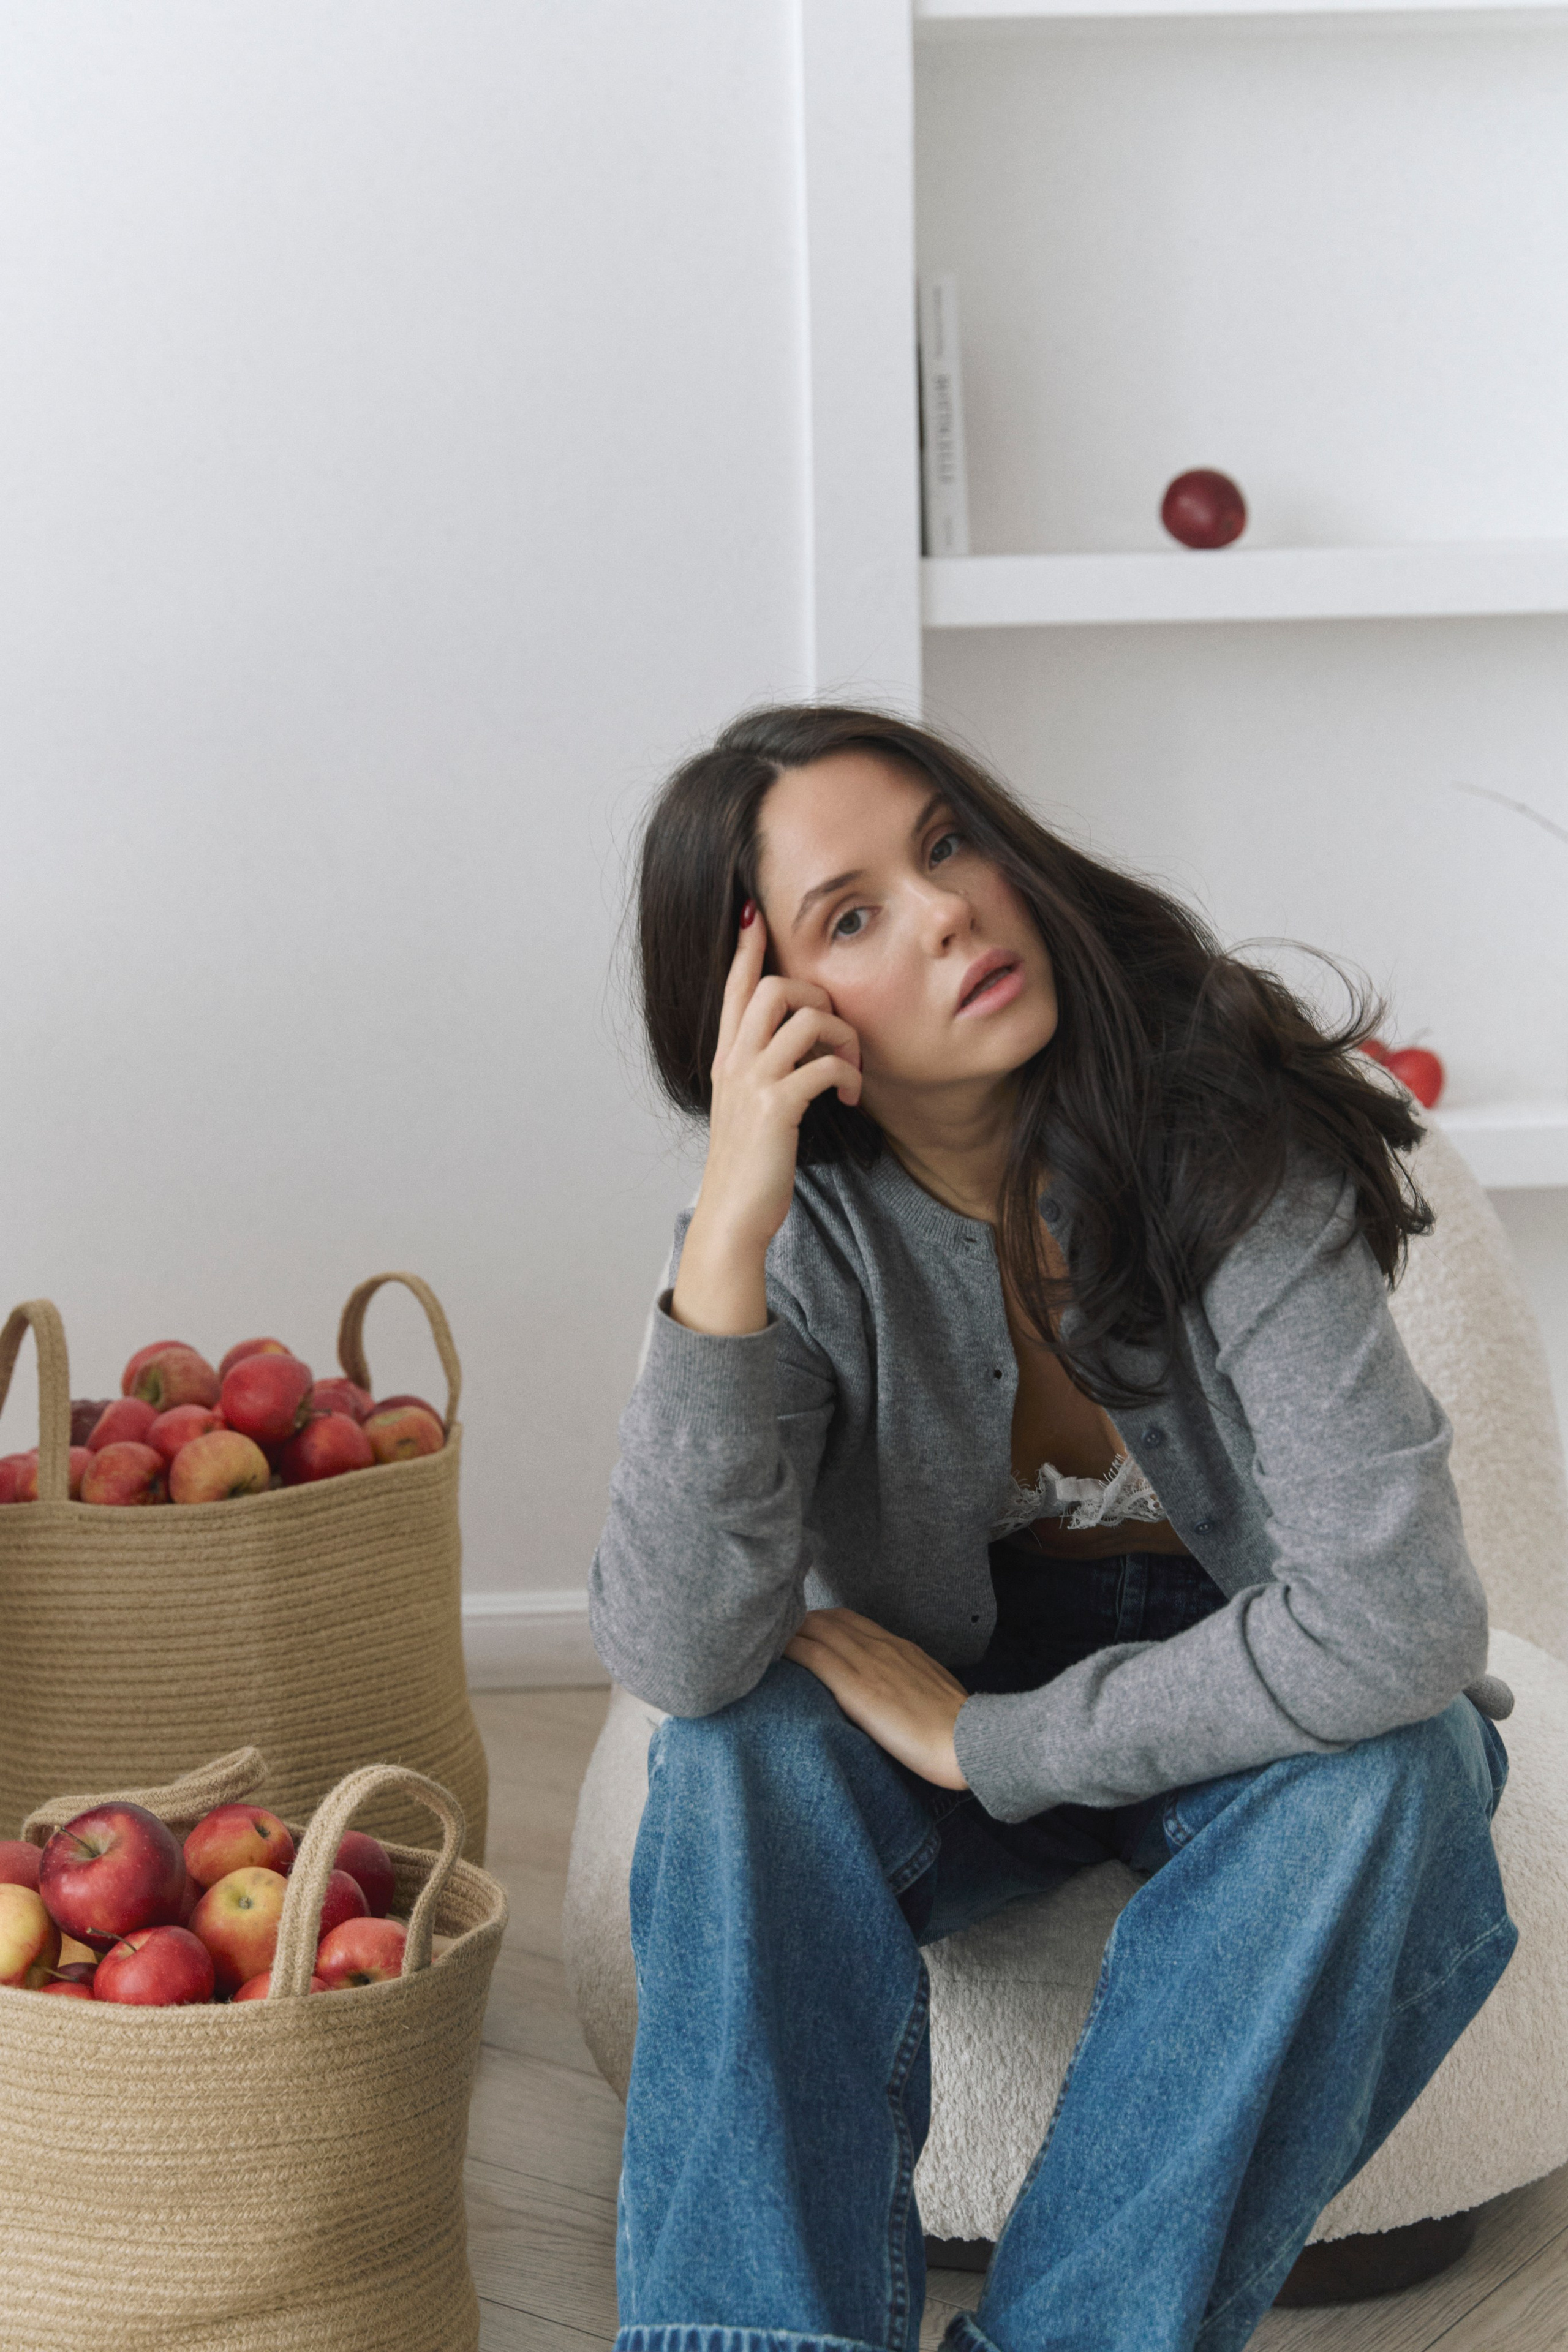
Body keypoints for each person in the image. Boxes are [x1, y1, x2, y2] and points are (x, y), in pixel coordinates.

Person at [590, 703, 1516, 2352]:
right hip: (927, 1671)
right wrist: (730, 1225)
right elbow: (678, 1654)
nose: (945, 910)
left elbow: (1398, 1623)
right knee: (736, 1758)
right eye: (852, 915)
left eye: (949, 844)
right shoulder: (790, 1221)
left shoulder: (1228, 1128)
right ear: (769, 1012)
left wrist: (997, 1745)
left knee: (1407, 1764)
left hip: (1237, 1675)